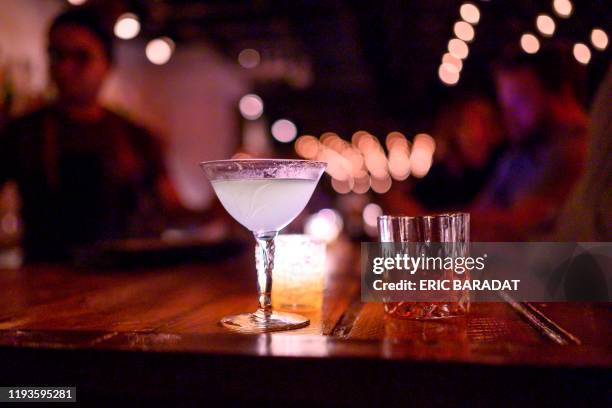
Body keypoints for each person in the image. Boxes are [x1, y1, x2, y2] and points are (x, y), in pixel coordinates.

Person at [0, 7, 181, 262]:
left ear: (107, 64)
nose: (63, 68)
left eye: (80, 57)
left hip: (125, 281)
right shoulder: (23, 132)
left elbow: (173, 209)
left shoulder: (137, 136)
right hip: (42, 286)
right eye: (56, 55)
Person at [472, 44, 589, 240]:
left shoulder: (582, 151)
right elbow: (482, 214)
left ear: (563, 94)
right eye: (505, 106)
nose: (509, 117)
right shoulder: (522, 151)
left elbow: (517, 223)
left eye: (519, 102)